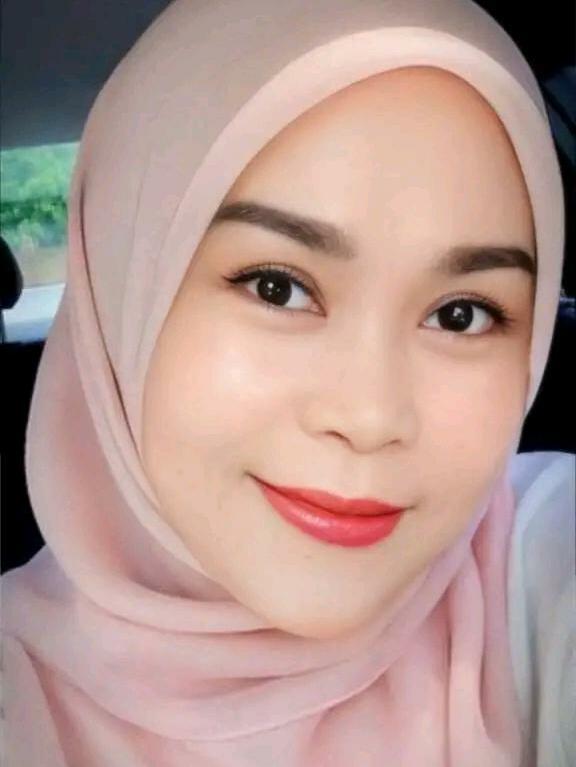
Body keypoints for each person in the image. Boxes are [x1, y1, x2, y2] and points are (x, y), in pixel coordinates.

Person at [1, 0, 574, 765]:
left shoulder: (537, 563)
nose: (369, 415)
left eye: (461, 315)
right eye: (277, 287)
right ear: (121, 291)